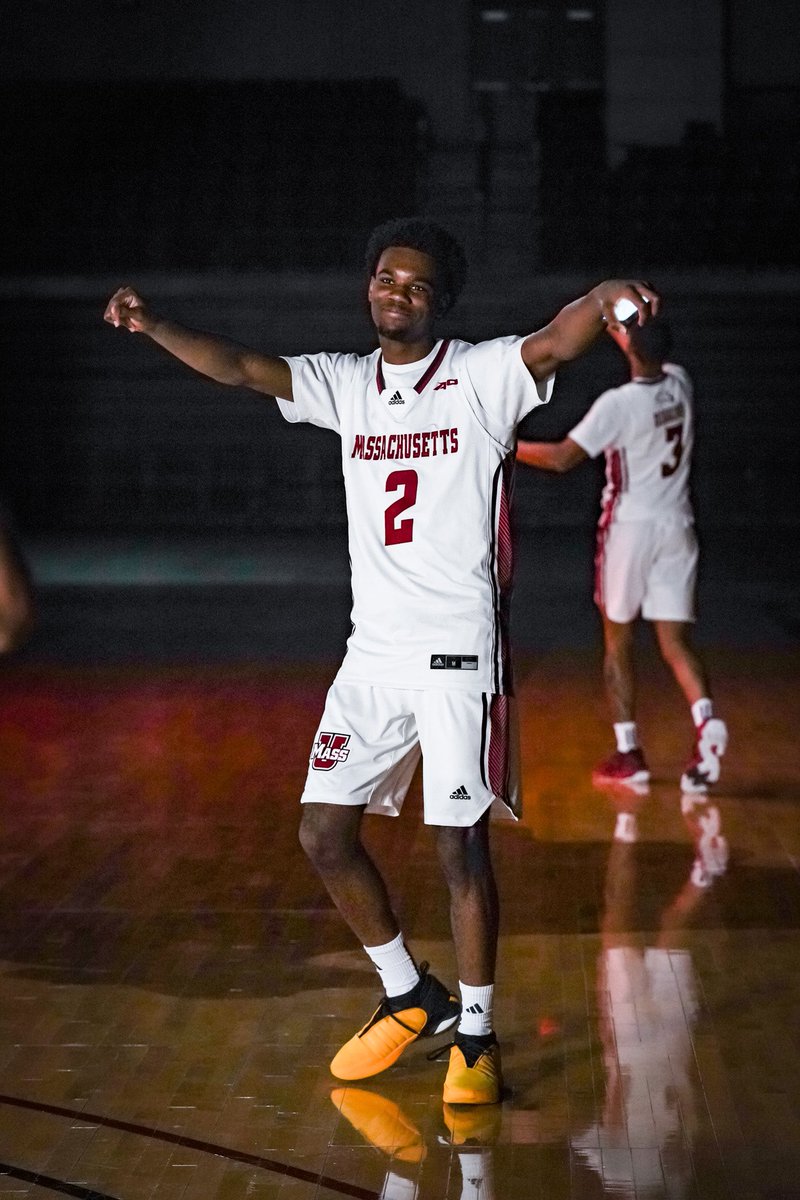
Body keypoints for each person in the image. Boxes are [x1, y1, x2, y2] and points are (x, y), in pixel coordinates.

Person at [104, 217, 657, 1105]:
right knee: (322, 833)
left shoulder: (478, 377)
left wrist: (608, 294)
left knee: (457, 850)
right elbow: (244, 368)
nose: (395, 291)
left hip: (456, 654)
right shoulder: (346, 383)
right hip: (371, 656)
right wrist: (155, 322)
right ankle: (410, 993)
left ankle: (477, 1037)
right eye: (385, 278)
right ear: (369, 287)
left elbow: (557, 341)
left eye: (416, 284)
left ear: (441, 301)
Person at [517, 313, 728, 793]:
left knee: (617, 644)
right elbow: (650, 345)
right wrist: (635, 328)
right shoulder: (680, 382)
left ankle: (629, 753)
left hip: (631, 530)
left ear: (627, 345)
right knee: (676, 644)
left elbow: (561, 458)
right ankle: (706, 720)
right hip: (678, 525)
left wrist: (505, 445)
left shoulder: (619, 405)